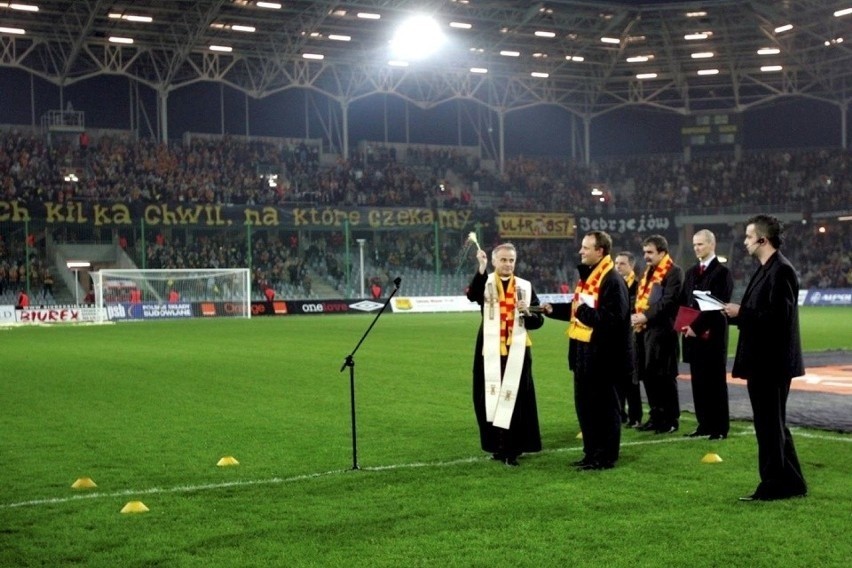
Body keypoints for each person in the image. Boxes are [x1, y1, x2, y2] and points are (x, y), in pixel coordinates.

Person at [723, 215, 807, 502]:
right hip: (764, 360)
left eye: (748, 236)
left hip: (771, 363)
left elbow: (778, 319)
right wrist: (737, 314)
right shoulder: (767, 268)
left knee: (768, 425)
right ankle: (793, 482)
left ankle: (772, 485)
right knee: (774, 423)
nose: (745, 241)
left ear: (762, 239)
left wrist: (741, 313)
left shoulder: (780, 270)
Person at [544, 231, 632, 470]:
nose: (580, 251)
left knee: (605, 410)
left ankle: (605, 457)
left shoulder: (612, 280)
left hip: (604, 359)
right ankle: (591, 453)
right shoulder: (590, 276)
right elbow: (578, 309)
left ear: (600, 251)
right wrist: (554, 309)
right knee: (586, 408)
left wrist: (582, 312)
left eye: (585, 248)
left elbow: (612, 319)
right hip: (584, 356)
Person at [466, 243, 544, 466]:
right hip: (489, 351)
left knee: (516, 400)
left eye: (511, 260)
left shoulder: (526, 287)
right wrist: (480, 267)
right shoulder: (486, 281)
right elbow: (472, 296)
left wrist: (527, 312)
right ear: (493, 261)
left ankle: (513, 449)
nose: (508, 264)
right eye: (503, 260)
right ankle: (496, 446)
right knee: (489, 399)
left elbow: (538, 321)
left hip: (517, 351)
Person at [679, 229, 734, 440]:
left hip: (713, 336)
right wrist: (684, 325)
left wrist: (696, 327)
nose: (696, 248)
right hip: (693, 337)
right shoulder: (692, 272)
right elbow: (685, 301)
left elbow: (717, 305)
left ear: (712, 245)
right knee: (698, 382)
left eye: (700, 244)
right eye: (694, 245)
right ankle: (704, 424)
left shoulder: (722, 273)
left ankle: (719, 428)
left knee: (715, 383)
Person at [630, 234, 683, 434]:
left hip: (663, 332)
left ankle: (670, 419)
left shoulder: (674, 272)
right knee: (648, 374)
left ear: (662, 252)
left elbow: (668, 301)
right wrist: (638, 316)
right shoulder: (648, 272)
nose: (646, 256)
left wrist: (644, 316)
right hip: (644, 331)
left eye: (650, 252)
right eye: (644, 252)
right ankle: (656, 416)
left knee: (665, 376)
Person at [614, 251, 643, 428]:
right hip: (617, 337)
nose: (618, 266)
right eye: (616, 263)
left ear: (631, 266)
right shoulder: (614, 284)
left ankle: (635, 416)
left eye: (622, 263)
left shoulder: (638, 286)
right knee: (617, 379)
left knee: (631, 380)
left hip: (633, 337)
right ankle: (621, 414)